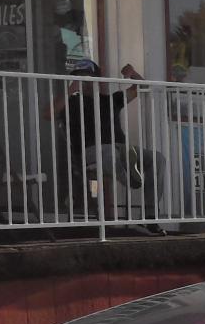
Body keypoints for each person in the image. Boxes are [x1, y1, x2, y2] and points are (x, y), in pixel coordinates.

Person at [58, 59, 146, 219]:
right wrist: (70, 90)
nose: (85, 82)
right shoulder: (71, 102)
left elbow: (141, 87)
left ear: (97, 79)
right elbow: (48, 113)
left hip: (118, 149)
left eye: (88, 77)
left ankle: (151, 215)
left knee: (157, 160)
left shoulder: (110, 99)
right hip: (88, 153)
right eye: (79, 78)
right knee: (106, 158)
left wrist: (132, 73)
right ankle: (129, 179)